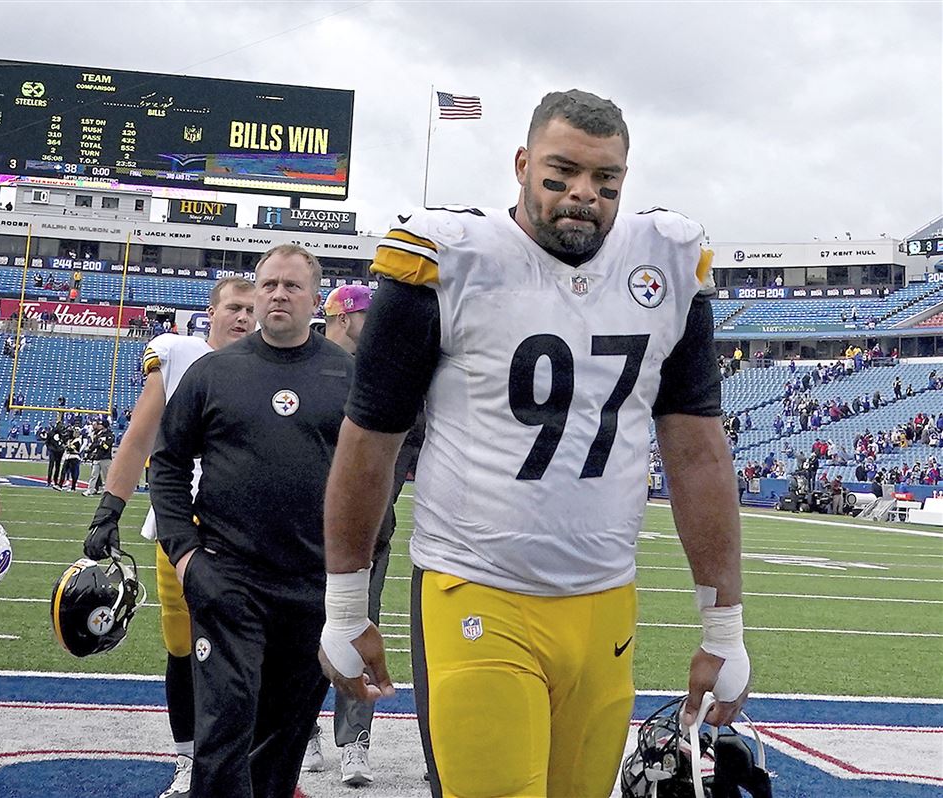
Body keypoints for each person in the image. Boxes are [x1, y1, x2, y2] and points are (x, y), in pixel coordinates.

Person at [317, 90, 750, 798]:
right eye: (561, 174)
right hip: (475, 587)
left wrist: (723, 626)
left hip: (605, 600)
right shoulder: (449, 261)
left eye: (606, 181)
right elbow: (370, 443)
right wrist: (344, 607)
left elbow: (698, 453)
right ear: (521, 164)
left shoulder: (667, 263)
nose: (583, 194)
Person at [150, 244, 353, 798]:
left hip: (311, 584)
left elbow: (372, 479)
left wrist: (352, 573)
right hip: (229, 577)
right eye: (269, 285)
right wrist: (188, 558)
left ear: (316, 298)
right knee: (223, 730)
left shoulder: (347, 375)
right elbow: (166, 464)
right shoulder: (214, 372)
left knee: (283, 737)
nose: (278, 295)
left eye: (291, 286)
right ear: (256, 292)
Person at [81, 276, 254, 798]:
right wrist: (109, 508)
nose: (244, 317)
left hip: (253, 529)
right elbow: (140, 434)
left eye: (251, 308)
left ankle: (256, 751)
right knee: (185, 648)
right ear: (211, 311)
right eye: (234, 308)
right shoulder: (178, 354)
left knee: (252, 649)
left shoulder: (279, 365)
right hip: (183, 526)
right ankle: (187, 758)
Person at [302, 283, 424, 786]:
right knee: (299, 631)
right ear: (345, 317)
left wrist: (381, 499)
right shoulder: (305, 365)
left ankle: (354, 742)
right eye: (368, 314)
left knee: (359, 630)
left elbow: (409, 441)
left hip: (367, 533)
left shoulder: (387, 370)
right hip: (303, 529)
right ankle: (302, 726)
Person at [82, 418, 114, 496]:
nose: (99, 426)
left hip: (105, 458)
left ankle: (108, 491)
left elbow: (107, 446)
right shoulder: (99, 434)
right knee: (94, 475)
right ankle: (90, 490)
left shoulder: (110, 435)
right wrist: (89, 451)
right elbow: (95, 444)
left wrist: (101, 444)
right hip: (97, 457)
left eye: (100, 424)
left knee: (107, 476)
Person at [44, 420, 66, 488]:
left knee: (57, 467)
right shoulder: (51, 433)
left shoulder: (62, 434)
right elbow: (47, 442)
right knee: (51, 466)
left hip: (59, 452)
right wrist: (50, 449)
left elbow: (64, 442)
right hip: (53, 451)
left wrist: (62, 449)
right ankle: (49, 481)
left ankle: (55, 481)